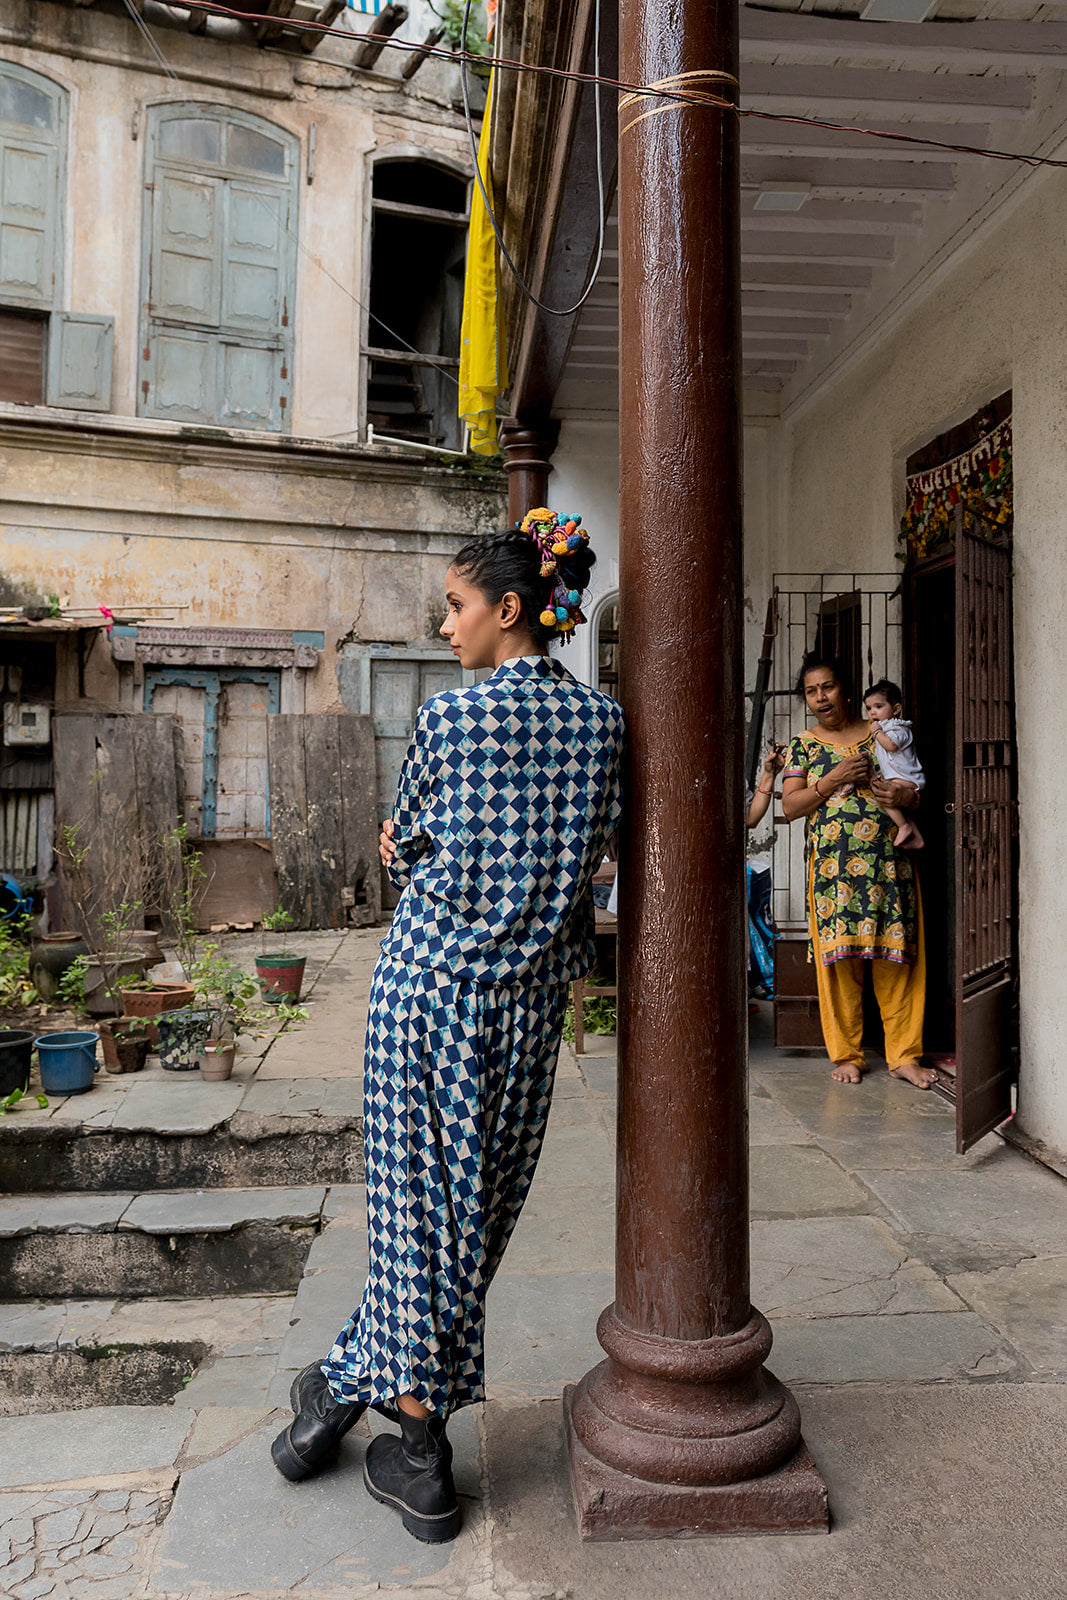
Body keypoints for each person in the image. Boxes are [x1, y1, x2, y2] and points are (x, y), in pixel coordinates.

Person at [270, 509, 624, 1545]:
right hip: (524, 1008)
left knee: (415, 1216)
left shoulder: (449, 717)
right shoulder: (603, 725)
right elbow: (591, 853)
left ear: (508, 609)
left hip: (424, 993)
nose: (445, 622)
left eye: (457, 604)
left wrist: (410, 851)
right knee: (466, 1223)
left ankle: (403, 1433)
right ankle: (363, 1409)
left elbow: (407, 849)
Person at [780, 653, 936, 1090]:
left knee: (899, 960)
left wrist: (905, 797)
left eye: (827, 687)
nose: (820, 697)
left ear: (846, 689)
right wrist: (831, 780)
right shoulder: (802, 745)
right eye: (811, 691)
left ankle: (904, 1055)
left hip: (889, 867)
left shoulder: (881, 732)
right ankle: (846, 1055)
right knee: (839, 965)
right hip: (832, 876)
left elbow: (914, 786)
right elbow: (791, 806)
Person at [863, 678, 925, 851]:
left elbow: (891, 745)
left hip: (908, 778)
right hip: (897, 776)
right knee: (895, 803)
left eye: (878, 707)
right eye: (868, 708)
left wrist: (876, 733)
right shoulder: (884, 728)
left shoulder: (898, 728)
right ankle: (915, 835)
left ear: (896, 709)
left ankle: (904, 827)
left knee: (883, 794)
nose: (872, 712)